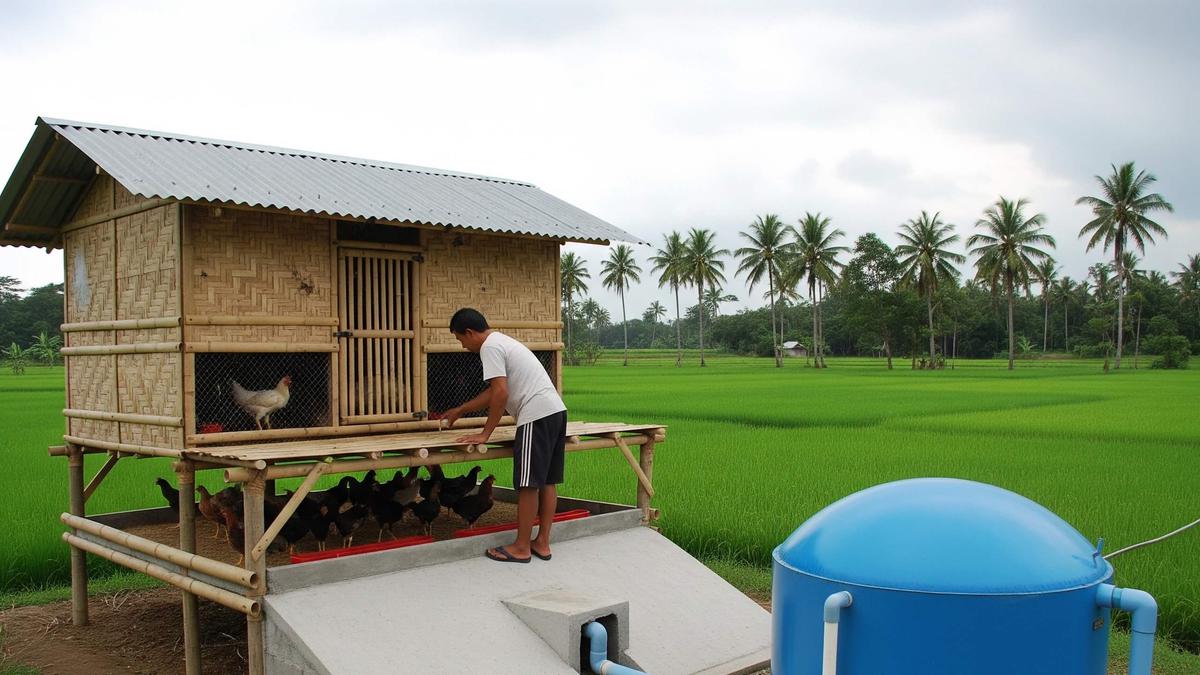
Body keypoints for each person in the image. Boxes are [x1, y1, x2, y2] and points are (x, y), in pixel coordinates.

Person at [443, 308, 567, 563]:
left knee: (527, 483)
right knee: (547, 481)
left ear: (469, 332)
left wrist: (485, 434)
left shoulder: (489, 347)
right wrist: (461, 409)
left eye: (461, 340)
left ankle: (521, 547)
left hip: (535, 415)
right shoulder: (503, 342)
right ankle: (541, 543)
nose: (464, 346)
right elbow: (495, 392)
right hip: (555, 411)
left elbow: (500, 394)